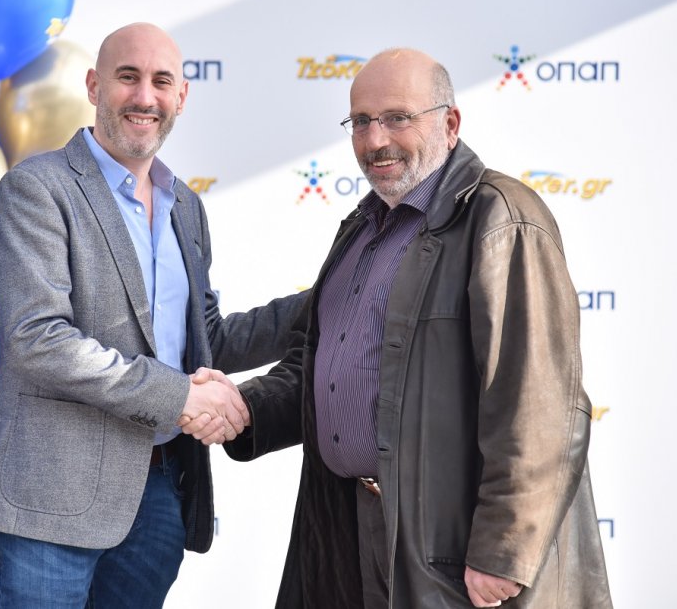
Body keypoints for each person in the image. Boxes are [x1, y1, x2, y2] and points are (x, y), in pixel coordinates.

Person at [194, 48, 612, 608]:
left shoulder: (499, 217)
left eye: (397, 118)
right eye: (361, 121)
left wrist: (503, 551)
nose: (375, 140)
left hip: (453, 551)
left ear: (450, 123)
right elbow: (320, 365)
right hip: (350, 534)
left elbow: (539, 402)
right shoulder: (362, 228)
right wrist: (245, 409)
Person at [0, 22, 306, 608]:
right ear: (94, 86)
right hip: (53, 499)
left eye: (162, 81)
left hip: (159, 495)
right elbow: (39, 339)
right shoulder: (37, 189)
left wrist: (326, 300)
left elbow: (205, 341)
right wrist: (181, 398)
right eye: (127, 77)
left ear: (183, 95)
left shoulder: (187, 207)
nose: (144, 96)